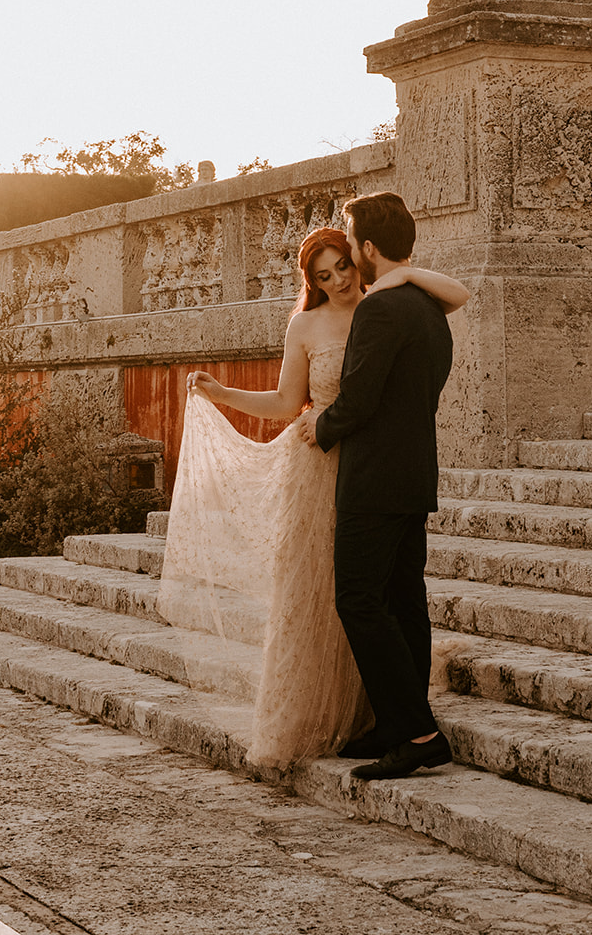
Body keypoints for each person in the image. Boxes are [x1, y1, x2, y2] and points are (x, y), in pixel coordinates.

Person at [162, 224, 468, 770]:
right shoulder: (304, 324)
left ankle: (398, 722)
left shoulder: (389, 305)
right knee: (326, 596)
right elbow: (286, 404)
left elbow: (448, 306)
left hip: (372, 470)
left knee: (374, 599)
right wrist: (220, 393)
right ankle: (380, 721)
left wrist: (403, 272)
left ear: (359, 259)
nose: (337, 282)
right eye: (322, 277)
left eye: (343, 268)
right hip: (320, 470)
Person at [295, 191, 455, 781]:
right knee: (404, 601)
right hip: (415, 473)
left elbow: (358, 401)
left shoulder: (380, 311)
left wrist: (321, 425)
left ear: (365, 248)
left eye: (349, 240)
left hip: (375, 480)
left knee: (358, 600)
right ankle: (401, 721)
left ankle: (417, 732)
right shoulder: (426, 305)